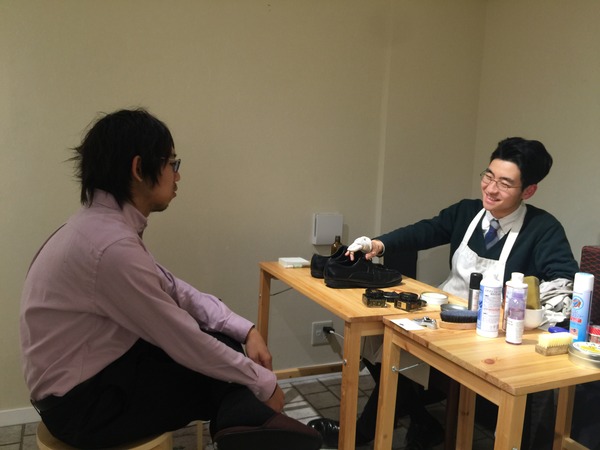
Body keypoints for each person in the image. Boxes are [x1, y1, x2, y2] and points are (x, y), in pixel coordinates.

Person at [19, 108, 322, 450]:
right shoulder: (110, 247)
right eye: (172, 164)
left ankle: (244, 422)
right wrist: (264, 383)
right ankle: (250, 422)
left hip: (90, 380)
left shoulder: (101, 228)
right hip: (82, 409)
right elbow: (181, 336)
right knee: (215, 367)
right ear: (138, 169)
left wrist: (245, 329)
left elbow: (174, 289)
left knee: (221, 343)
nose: (177, 176)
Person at [308, 137, 578, 450]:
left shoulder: (542, 228)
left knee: (398, 355)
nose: (491, 189)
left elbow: (565, 281)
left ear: (528, 191)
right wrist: (377, 244)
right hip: (445, 315)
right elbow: (423, 231)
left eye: (505, 184)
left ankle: (363, 433)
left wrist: (517, 307)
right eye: (488, 176)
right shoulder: (467, 212)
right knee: (377, 338)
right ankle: (421, 422)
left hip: (490, 332)